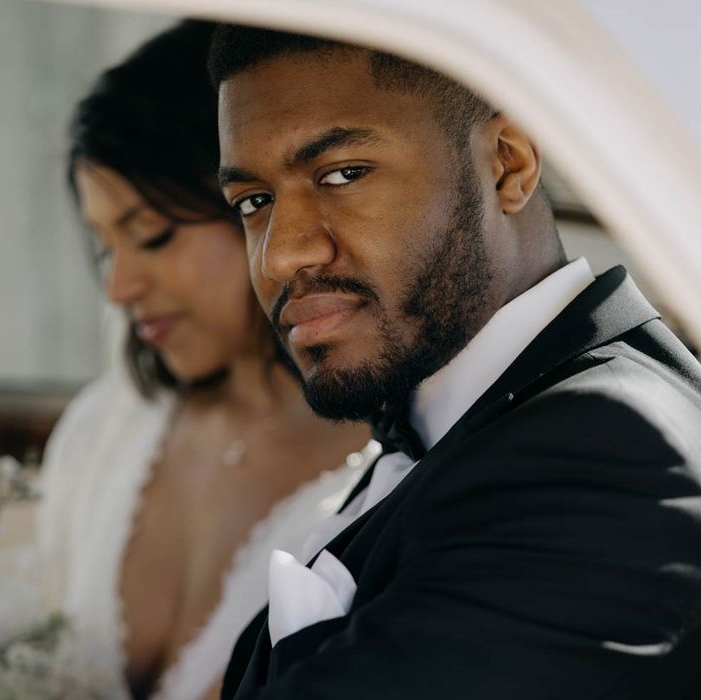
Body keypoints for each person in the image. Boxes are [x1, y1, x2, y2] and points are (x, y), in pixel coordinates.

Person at [207, 25, 701, 699]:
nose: (281, 255)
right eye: (254, 202)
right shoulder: (470, 425)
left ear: (508, 163)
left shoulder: (611, 453)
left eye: (343, 174)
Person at [37, 21, 369, 700]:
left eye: (152, 237)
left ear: (254, 204)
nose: (118, 288)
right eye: (105, 247)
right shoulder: (106, 427)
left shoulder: (391, 478)